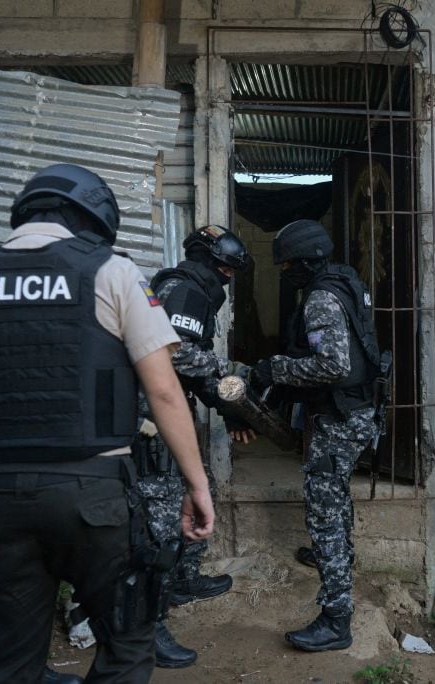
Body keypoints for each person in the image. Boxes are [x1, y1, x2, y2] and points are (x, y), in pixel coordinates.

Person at [0, 163, 215, 684]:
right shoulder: (112, 270)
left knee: (9, 660)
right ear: (93, 221)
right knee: (127, 643)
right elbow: (164, 390)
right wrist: (197, 485)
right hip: (95, 497)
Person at [249, 219, 382, 652]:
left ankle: (336, 618)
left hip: (340, 417)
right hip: (359, 410)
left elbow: (333, 365)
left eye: (288, 263)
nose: (285, 270)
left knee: (323, 509)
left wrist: (276, 367)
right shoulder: (347, 281)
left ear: (304, 261)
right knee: (337, 496)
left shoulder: (322, 297)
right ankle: (338, 557)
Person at [134, 223, 254, 668]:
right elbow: (174, 353)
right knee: (161, 523)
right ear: (209, 263)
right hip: (150, 418)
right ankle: (148, 626)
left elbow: (190, 369)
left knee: (195, 488)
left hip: (169, 412)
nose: (226, 276)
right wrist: (229, 370)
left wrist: (228, 407)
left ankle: (184, 580)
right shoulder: (184, 290)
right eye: (224, 268)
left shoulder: (191, 288)